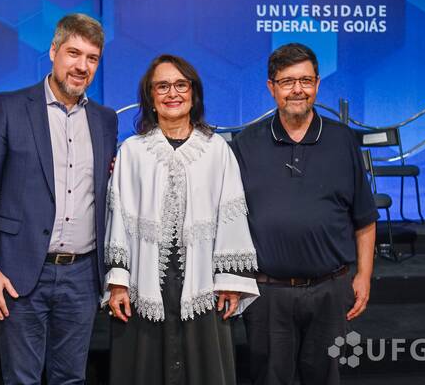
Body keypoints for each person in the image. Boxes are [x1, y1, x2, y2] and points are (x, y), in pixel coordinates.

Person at [0, 13, 118, 385]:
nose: (82, 66)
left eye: (92, 58)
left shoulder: (105, 120)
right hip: (19, 272)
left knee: (71, 379)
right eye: (74, 53)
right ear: (53, 52)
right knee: (22, 379)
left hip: (82, 275)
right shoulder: (8, 107)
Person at [103, 54, 260, 385]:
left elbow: (231, 216)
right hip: (145, 284)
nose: (172, 93)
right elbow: (118, 220)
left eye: (180, 85)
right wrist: (118, 283)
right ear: (150, 96)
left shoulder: (216, 150)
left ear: (193, 93)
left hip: (203, 284)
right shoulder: (132, 151)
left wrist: (230, 281)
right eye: (162, 86)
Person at [231, 43, 378, 385]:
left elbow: (365, 218)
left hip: (330, 289)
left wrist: (364, 276)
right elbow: (226, 218)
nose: (298, 89)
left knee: (325, 377)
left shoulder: (343, 140)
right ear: (271, 87)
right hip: (266, 294)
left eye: (306, 80)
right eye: (287, 81)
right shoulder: (245, 143)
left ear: (317, 84)